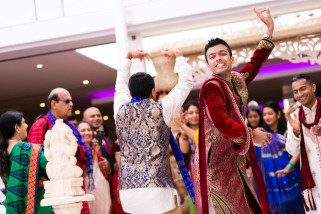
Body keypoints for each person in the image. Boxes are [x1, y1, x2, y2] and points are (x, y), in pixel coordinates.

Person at [195, 7, 275, 214]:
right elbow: (221, 121)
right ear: (208, 64)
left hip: (232, 157)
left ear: (231, 58)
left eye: (222, 54)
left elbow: (255, 63)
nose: (218, 58)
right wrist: (252, 134)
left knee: (246, 205)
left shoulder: (236, 80)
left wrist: (269, 30)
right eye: (212, 57)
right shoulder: (211, 87)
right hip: (215, 163)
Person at [114, 49, 193, 213]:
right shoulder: (162, 108)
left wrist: (128, 57)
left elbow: (119, 85)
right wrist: (179, 57)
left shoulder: (120, 108)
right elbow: (186, 83)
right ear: (153, 91)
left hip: (128, 191)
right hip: (158, 190)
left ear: (130, 91)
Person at [27, 88, 93, 214]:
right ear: (54, 104)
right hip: (55, 189)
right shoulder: (41, 125)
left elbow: (81, 154)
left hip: (74, 184)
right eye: (67, 101)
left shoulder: (70, 126)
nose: (71, 104)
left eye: (71, 101)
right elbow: (35, 158)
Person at [254, 101, 304, 213]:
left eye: (270, 113)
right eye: (265, 114)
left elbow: (298, 151)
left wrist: (289, 167)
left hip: (291, 176)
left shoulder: (289, 132)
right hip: (272, 184)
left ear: (278, 114)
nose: (267, 117)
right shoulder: (262, 137)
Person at [0, 111, 53, 213]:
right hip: (40, 204)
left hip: (13, 205)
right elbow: (50, 166)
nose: (27, 125)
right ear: (17, 128)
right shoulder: (26, 149)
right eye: (24, 122)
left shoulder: (2, 152)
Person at [286, 74, 321, 212]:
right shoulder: (295, 115)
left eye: (303, 89)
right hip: (314, 180)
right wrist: (295, 132)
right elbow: (292, 150)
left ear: (313, 88)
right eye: (295, 92)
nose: (300, 94)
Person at [77, 121, 112, 214]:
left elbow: (106, 169)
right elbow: (82, 172)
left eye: (88, 130)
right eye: (83, 130)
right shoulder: (77, 150)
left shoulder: (95, 147)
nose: (87, 132)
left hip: (102, 186)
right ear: (77, 133)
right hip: (87, 187)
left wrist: (106, 164)